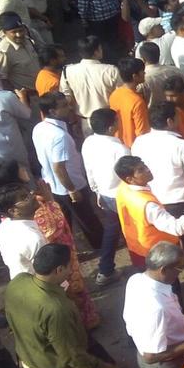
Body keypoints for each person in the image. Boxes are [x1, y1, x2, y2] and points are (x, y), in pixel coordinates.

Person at [131, 101, 184, 287]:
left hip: (155, 202)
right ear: (169, 121)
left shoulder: (139, 142)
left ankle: (169, 283)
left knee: (166, 248)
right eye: (177, 116)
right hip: (182, 202)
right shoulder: (182, 145)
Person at [33, 91, 104, 253]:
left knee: (65, 222)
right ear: (52, 111)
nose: (69, 108)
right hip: (70, 185)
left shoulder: (39, 128)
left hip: (53, 186)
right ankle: (101, 247)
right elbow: (59, 167)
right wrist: (72, 189)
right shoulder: (59, 135)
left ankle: (67, 251)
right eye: (64, 106)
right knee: (87, 219)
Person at [79, 107, 128, 286]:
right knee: (133, 232)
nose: (119, 123)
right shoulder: (120, 149)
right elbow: (129, 177)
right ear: (111, 127)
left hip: (105, 194)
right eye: (116, 121)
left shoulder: (88, 142)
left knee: (112, 231)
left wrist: (97, 192)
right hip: (122, 197)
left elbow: (89, 170)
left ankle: (105, 270)